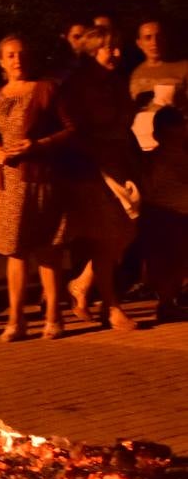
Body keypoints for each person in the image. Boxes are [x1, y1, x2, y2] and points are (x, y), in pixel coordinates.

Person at [0, 36, 75, 341]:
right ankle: (17, 319)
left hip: (40, 178)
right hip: (5, 184)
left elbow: (70, 129)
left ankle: (54, 315)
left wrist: (38, 144)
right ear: (1, 61)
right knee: (14, 252)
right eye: (10, 55)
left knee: (47, 250)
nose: (17, 60)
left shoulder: (45, 89)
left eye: (22, 54)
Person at [59, 26, 140, 331]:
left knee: (125, 232)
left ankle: (82, 284)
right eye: (109, 48)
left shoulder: (116, 83)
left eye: (118, 47)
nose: (116, 54)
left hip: (119, 161)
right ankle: (112, 306)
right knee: (109, 234)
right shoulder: (76, 86)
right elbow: (73, 128)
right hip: (90, 168)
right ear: (92, 52)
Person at [140, 107, 187, 323]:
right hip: (163, 213)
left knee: (177, 261)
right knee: (167, 261)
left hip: (176, 213)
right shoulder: (155, 159)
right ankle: (166, 303)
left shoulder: (174, 156)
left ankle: (168, 302)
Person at [128, 19, 187, 151]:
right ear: (139, 43)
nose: (154, 42)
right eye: (148, 38)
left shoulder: (183, 68)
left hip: (174, 147)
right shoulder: (135, 74)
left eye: (158, 36)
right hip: (142, 147)